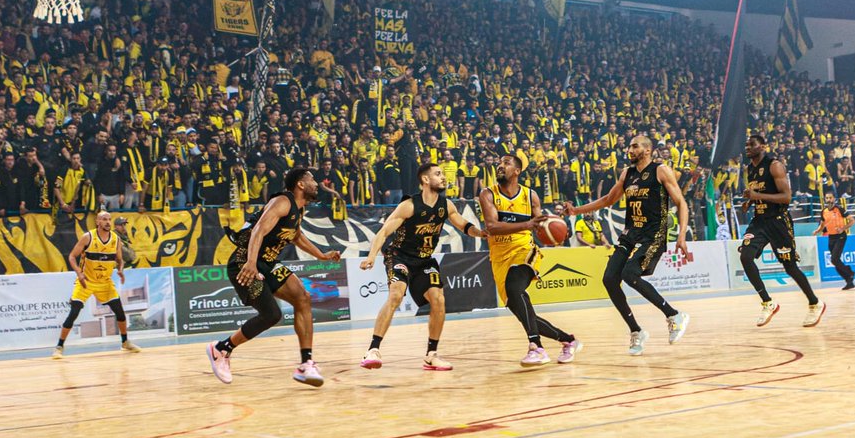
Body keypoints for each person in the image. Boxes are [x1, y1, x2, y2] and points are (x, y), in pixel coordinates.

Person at [205, 168, 340, 385]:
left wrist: (321, 256)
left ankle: (306, 364)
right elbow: (258, 230)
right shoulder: (282, 201)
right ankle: (221, 349)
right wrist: (250, 263)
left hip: (268, 262)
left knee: (303, 298)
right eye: (312, 179)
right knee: (271, 315)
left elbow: (295, 235)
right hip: (244, 262)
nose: (317, 183)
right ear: (301, 185)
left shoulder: (299, 209)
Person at [564, 136, 690, 355]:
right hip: (630, 234)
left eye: (635, 146)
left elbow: (681, 202)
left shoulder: (661, 170)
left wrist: (681, 236)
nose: (629, 149)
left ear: (648, 150)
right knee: (609, 279)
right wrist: (576, 210)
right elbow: (607, 200)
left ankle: (674, 315)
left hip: (653, 236)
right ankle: (636, 331)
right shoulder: (627, 174)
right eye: (629, 146)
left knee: (630, 274)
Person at [359, 163, 487, 371]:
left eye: (443, 174)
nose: (443, 178)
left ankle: (431, 355)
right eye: (438, 174)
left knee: (438, 299)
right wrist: (372, 256)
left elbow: (464, 226)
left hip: (424, 260)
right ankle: (373, 349)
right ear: (425, 180)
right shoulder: (409, 205)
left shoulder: (446, 205)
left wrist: (481, 233)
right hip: (400, 256)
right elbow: (383, 232)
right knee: (396, 295)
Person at [479, 153, 581, 367]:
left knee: (515, 288)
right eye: (500, 162)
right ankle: (568, 340)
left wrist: (553, 231)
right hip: (499, 256)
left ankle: (536, 347)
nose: (500, 165)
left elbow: (540, 225)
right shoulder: (487, 194)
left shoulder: (530, 195)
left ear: (517, 171)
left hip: (524, 250)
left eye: (506, 163)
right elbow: (492, 226)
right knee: (522, 311)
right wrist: (527, 224)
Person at [739, 134, 825, 328]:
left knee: (790, 267)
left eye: (751, 144)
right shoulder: (749, 169)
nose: (747, 148)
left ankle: (815, 303)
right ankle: (768, 302)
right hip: (760, 220)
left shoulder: (774, 165)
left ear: (763, 146)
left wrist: (757, 195)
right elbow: (760, 193)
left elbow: (786, 198)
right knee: (745, 256)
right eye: (746, 145)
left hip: (778, 221)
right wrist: (750, 201)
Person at [52, 210, 140, 359]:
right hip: (86, 281)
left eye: (109, 219)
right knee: (74, 312)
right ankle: (59, 347)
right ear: (97, 222)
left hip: (105, 282)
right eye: (104, 219)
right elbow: (72, 257)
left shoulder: (116, 239)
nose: (107, 222)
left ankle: (125, 342)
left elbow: (120, 260)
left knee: (120, 312)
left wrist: (120, 270)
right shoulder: (88, 237)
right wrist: (79, 273)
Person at [813, 191, 855, 290]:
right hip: (831, 237)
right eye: (827, 198)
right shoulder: (824, 211)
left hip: (840, 236)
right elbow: (822, 224)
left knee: (834, 259)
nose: (828, 200)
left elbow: (852, 220)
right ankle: (849, 281)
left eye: (830, 198)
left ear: (834, 199)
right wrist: (817, 230)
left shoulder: (839, 209)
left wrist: (843, 228)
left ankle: (850, 272)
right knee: (835, 261)